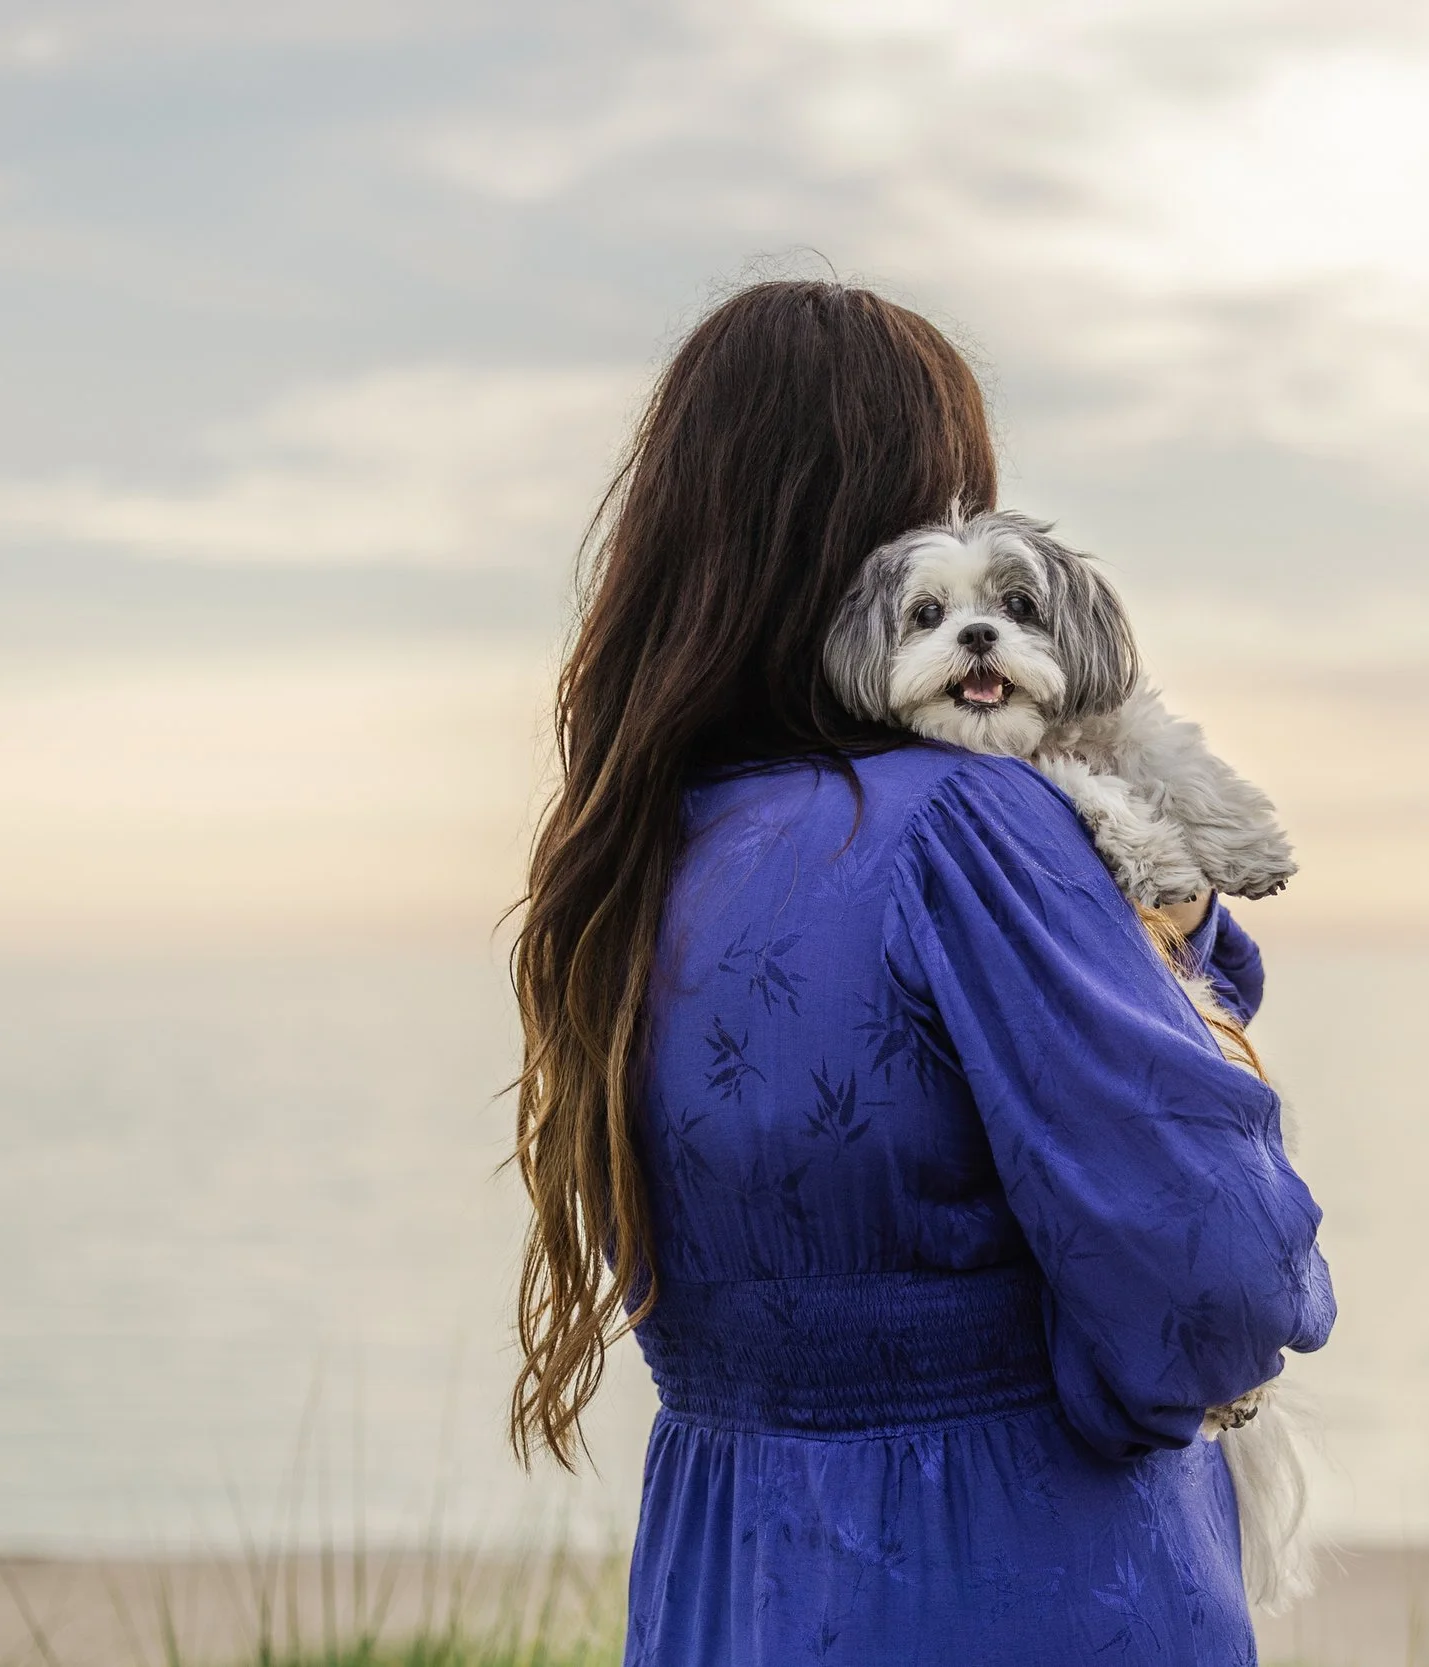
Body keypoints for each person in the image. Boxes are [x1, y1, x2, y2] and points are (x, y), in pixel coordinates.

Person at [508, 279, 1334, 1666]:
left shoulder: (636, 856)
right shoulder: (969, 822)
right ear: (885, 536)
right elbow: (1217, 1278)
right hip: (1021, 1572)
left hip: (730, 1583)